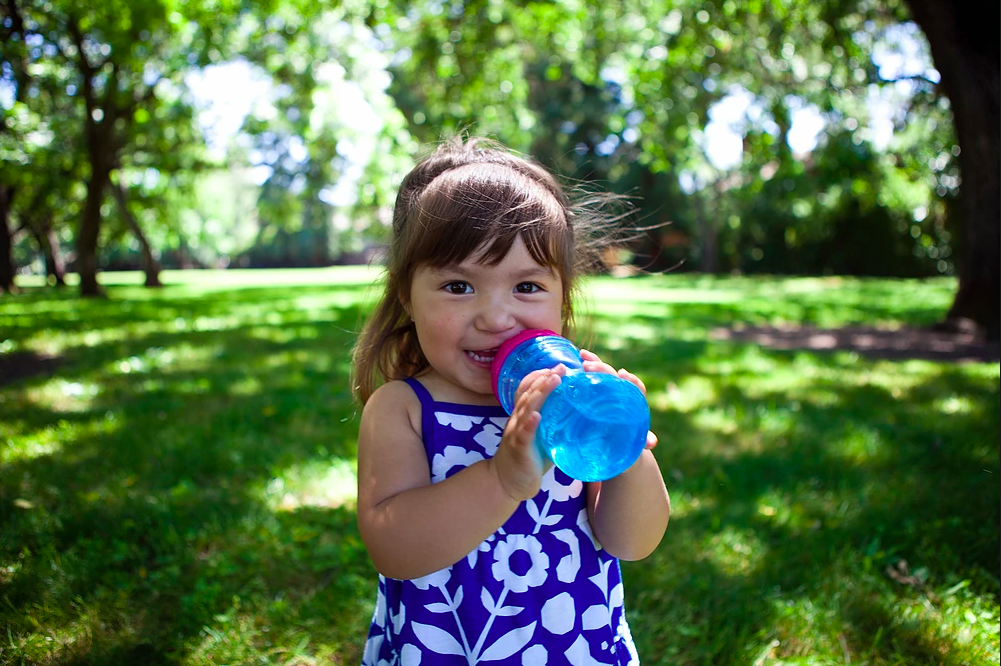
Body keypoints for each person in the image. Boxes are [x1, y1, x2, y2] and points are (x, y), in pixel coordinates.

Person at [353, 136, 670, 665]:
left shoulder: (571, 399)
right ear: (406, 295)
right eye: (458, 287)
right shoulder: (403, 409)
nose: (496, 318)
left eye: (526, 287)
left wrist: (628, 454)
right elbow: (394, 549)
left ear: (562, 297)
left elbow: (632, 541)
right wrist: (502, 480)